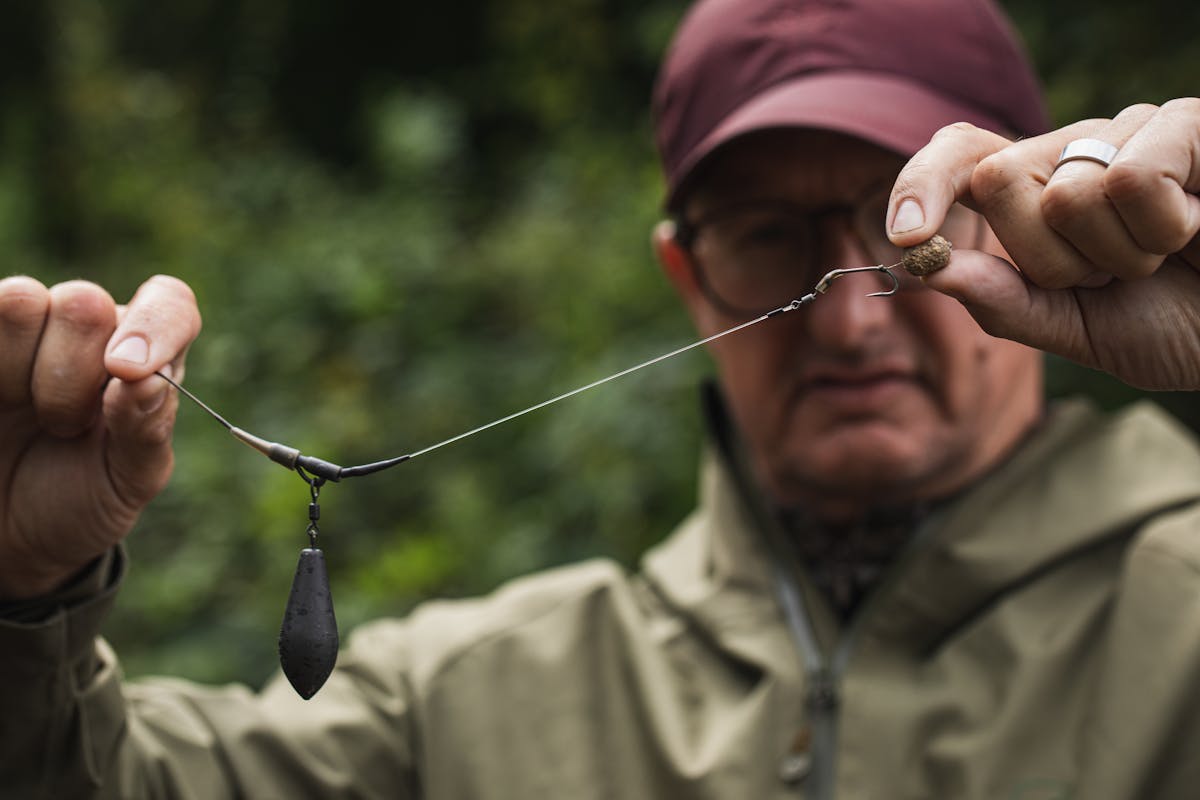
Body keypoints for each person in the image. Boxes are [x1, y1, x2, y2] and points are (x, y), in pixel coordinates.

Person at [2, 0, 1199, 797]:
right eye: (766, 233)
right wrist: (16, 589)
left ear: (1034, 230)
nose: (846, 316)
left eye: (906, 231)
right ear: (688, 276)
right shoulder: (463, 703)